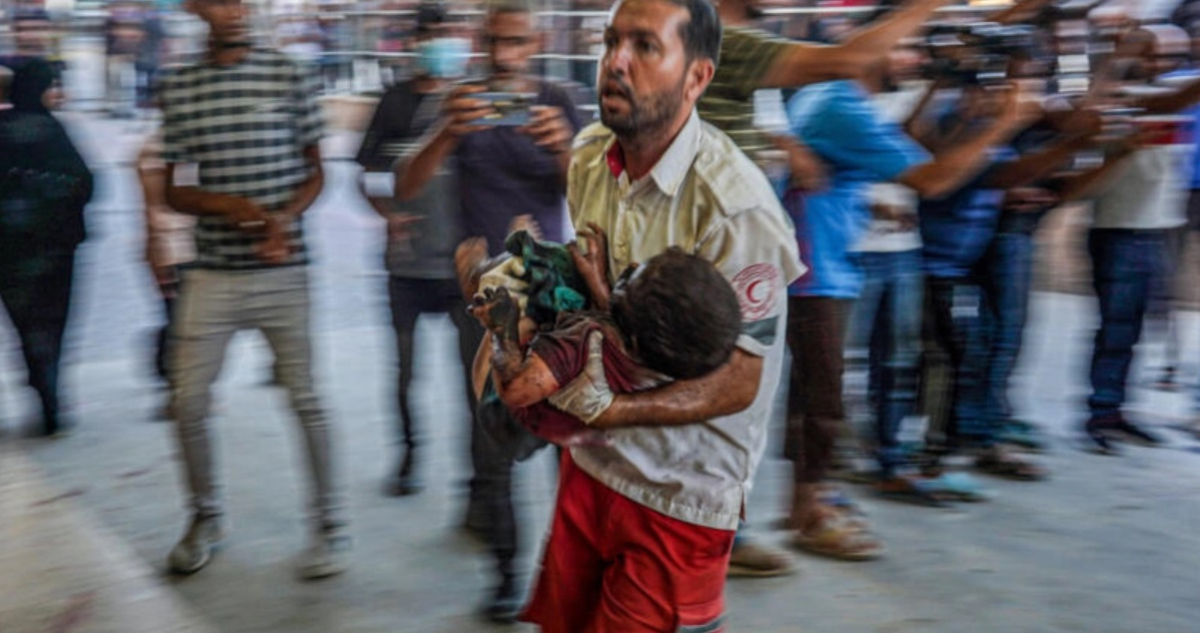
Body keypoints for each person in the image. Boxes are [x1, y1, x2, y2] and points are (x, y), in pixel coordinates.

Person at [520, 0, 803, 629]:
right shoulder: (592, 155)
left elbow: (739, 379)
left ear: (697, 77)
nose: (616, 62)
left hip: (681, 490)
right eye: (612, 41)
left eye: (645, 47)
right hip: (592, 461)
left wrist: (612, 408)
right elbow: (607, 303)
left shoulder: (737, 210)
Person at [698, 0, 952, 575]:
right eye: (904, 45)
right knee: (783, 399)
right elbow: (933, 176)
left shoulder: (752, 52)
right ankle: (754, 522)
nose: (910, 55)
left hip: (764, 257)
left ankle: (773, 515)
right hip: (779, 264)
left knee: (778, 400)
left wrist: (781, 152)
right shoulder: (720, 38)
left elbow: (761, 130)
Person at [395, 0, 585, 621]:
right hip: (483, 302)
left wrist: (562, 148)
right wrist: (448, 130)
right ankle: (507, 572)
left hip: (554, 298)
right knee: (493, 441)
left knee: (570, 441)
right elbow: (404, 184)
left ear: (536, 43)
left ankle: (568, 565)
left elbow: (589, 193)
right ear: (481, 42)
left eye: (517, 42)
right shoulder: (461, 99)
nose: (506, 55)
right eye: (496, 42)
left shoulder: (559, 97)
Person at [157, 0, 347, 579]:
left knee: (307, 400)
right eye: (219, 1)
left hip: (283, 271)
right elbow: (172, 189)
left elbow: (319, 172)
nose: (234, 10)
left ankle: (330, 527)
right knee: (187, 400)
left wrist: (281, 221)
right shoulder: (180, 85)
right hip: (213, 273)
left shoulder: (289, 74)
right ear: (196, 10)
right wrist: (224, 205)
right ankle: (204, 517)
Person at [355, 0, 473, 498]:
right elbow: (365, 175)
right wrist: (388, 214)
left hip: (462, 266)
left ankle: (477, 479)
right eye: (430, 34)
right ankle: (408, 456)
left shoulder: (469, 101)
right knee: (404, 373)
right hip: (405, 266)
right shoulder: (394, 102)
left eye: (446, 32)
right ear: (415, 42)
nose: (439, 42)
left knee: (473, 378)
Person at [472, 248, 743, 448]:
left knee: (521, 270)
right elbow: (618, 324)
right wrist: (597, 282)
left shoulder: (582, 340)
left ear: (633, 336)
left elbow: (516, 390)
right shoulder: (666, 357)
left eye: (628, 280)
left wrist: (501, 329)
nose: (627, 269)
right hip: (586, 431)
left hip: (519, 411)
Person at [0, 63, 93, 437]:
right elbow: (85, 183)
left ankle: (39, 379)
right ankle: (49, 389)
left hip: (9, 251)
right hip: (56, 249)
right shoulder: (54, 130)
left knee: (24, 324)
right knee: (53, 323)